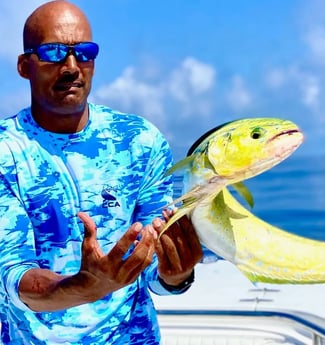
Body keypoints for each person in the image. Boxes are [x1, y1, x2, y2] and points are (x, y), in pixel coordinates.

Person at [0, 1, 203, 344]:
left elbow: (156, 275)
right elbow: (12, 276)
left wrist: (176, 275)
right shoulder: (6, 151)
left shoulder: (139, 141)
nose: (71, 66)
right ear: (24, 66)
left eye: (84, 53)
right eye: (52, 53)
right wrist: (84, 286)